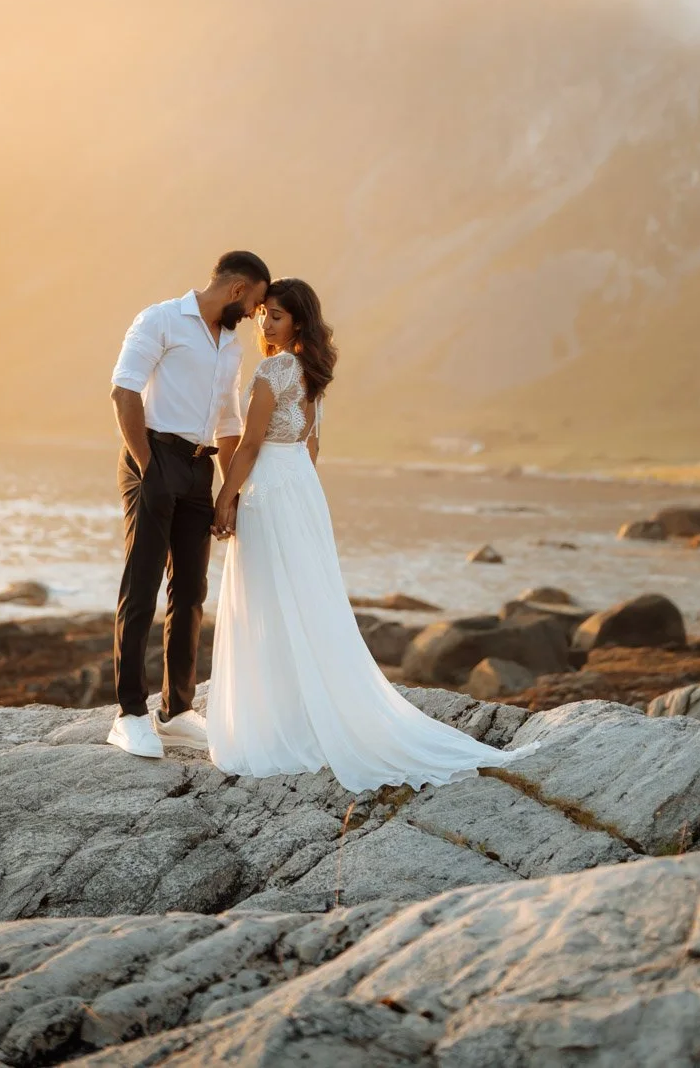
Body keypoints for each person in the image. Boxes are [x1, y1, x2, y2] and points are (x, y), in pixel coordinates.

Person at [206, 277, 539, 791]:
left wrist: (225, 497)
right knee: (305, 600)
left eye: (275, 316)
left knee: (270, 600)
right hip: (301, 488)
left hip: (272, 490)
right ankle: (304, 712)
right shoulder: (313, 373)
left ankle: (282, 723)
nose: (265, 324)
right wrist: (301, 496)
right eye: (263, 316)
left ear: (297, 322)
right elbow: (311, 448)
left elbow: (249, 446)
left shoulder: (275, 369)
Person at [107, 249, 271, 758]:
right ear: (238, 289)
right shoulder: (160, 319)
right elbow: (124, 392)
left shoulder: (230, 346)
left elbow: (227, 423)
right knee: (143, 584)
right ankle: (129, 714)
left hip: (200, 469)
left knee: (192, 590)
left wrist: (227, 493)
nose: (254, 315)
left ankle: (176, 710)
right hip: (153, 456)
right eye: (256, 303)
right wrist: (148, 466)